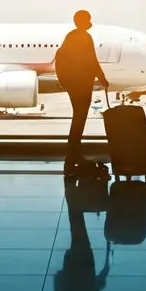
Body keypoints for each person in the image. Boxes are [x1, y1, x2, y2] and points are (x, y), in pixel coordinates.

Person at [55, 10, 109, 176]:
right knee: (79, 119)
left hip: (73, 84)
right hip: (83, 84)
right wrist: (102, 78)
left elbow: (60, 58)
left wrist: (65, 82)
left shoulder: (70, 37)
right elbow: (92, 60)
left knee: (77, 119)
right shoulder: (84, 37)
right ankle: (73, 155)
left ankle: (73, 155)